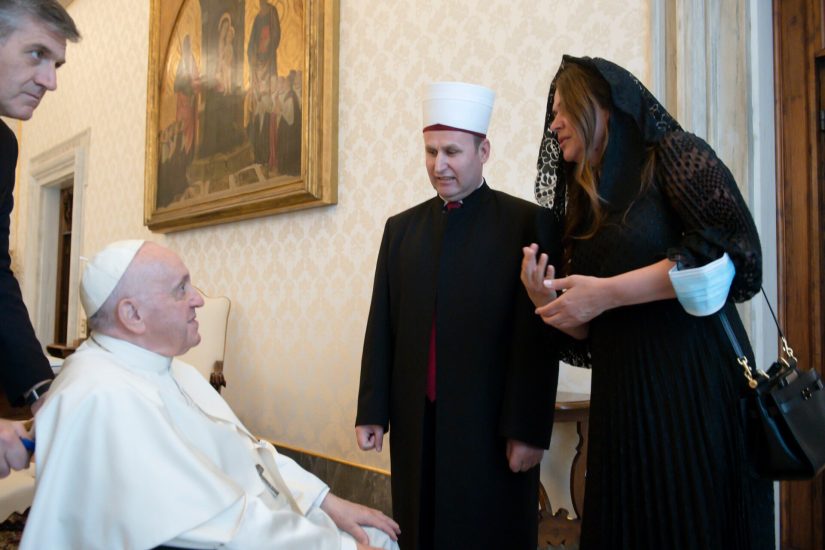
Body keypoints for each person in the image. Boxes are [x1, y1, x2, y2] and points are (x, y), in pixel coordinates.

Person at [521, 55, 774, 549]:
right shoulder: (585, 199)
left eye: (561, 109)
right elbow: (590, 333)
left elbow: (733, 254)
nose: (553, 125)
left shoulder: (671, 156)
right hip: (622, 404)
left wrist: (605, 293)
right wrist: (545, 300)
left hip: (691, 387)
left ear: (600, 105)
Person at [22, 240, 401, 550]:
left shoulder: (173, 369)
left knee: (378, 533)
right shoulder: (102, 398)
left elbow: (251, 451)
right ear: (132, 315)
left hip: (265, 519)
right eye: (181, 289)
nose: (199, 300)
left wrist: (326, 501)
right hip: (238, 536)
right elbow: (213, 525)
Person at [356, 82, 560, 549]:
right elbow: (381, 326)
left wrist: (528, 429)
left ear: (483, 151)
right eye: (430, 152)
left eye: (452, 151)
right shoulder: (401, 230)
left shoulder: (527, 223)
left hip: (490, 428)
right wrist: (372, 410)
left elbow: (538, 337)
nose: (438, 165)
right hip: (417, 424)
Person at [0, 0, 79, 477]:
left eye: (57, 65)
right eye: (36, 54)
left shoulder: (3, 146)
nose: (50, 82)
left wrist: (42, 391)